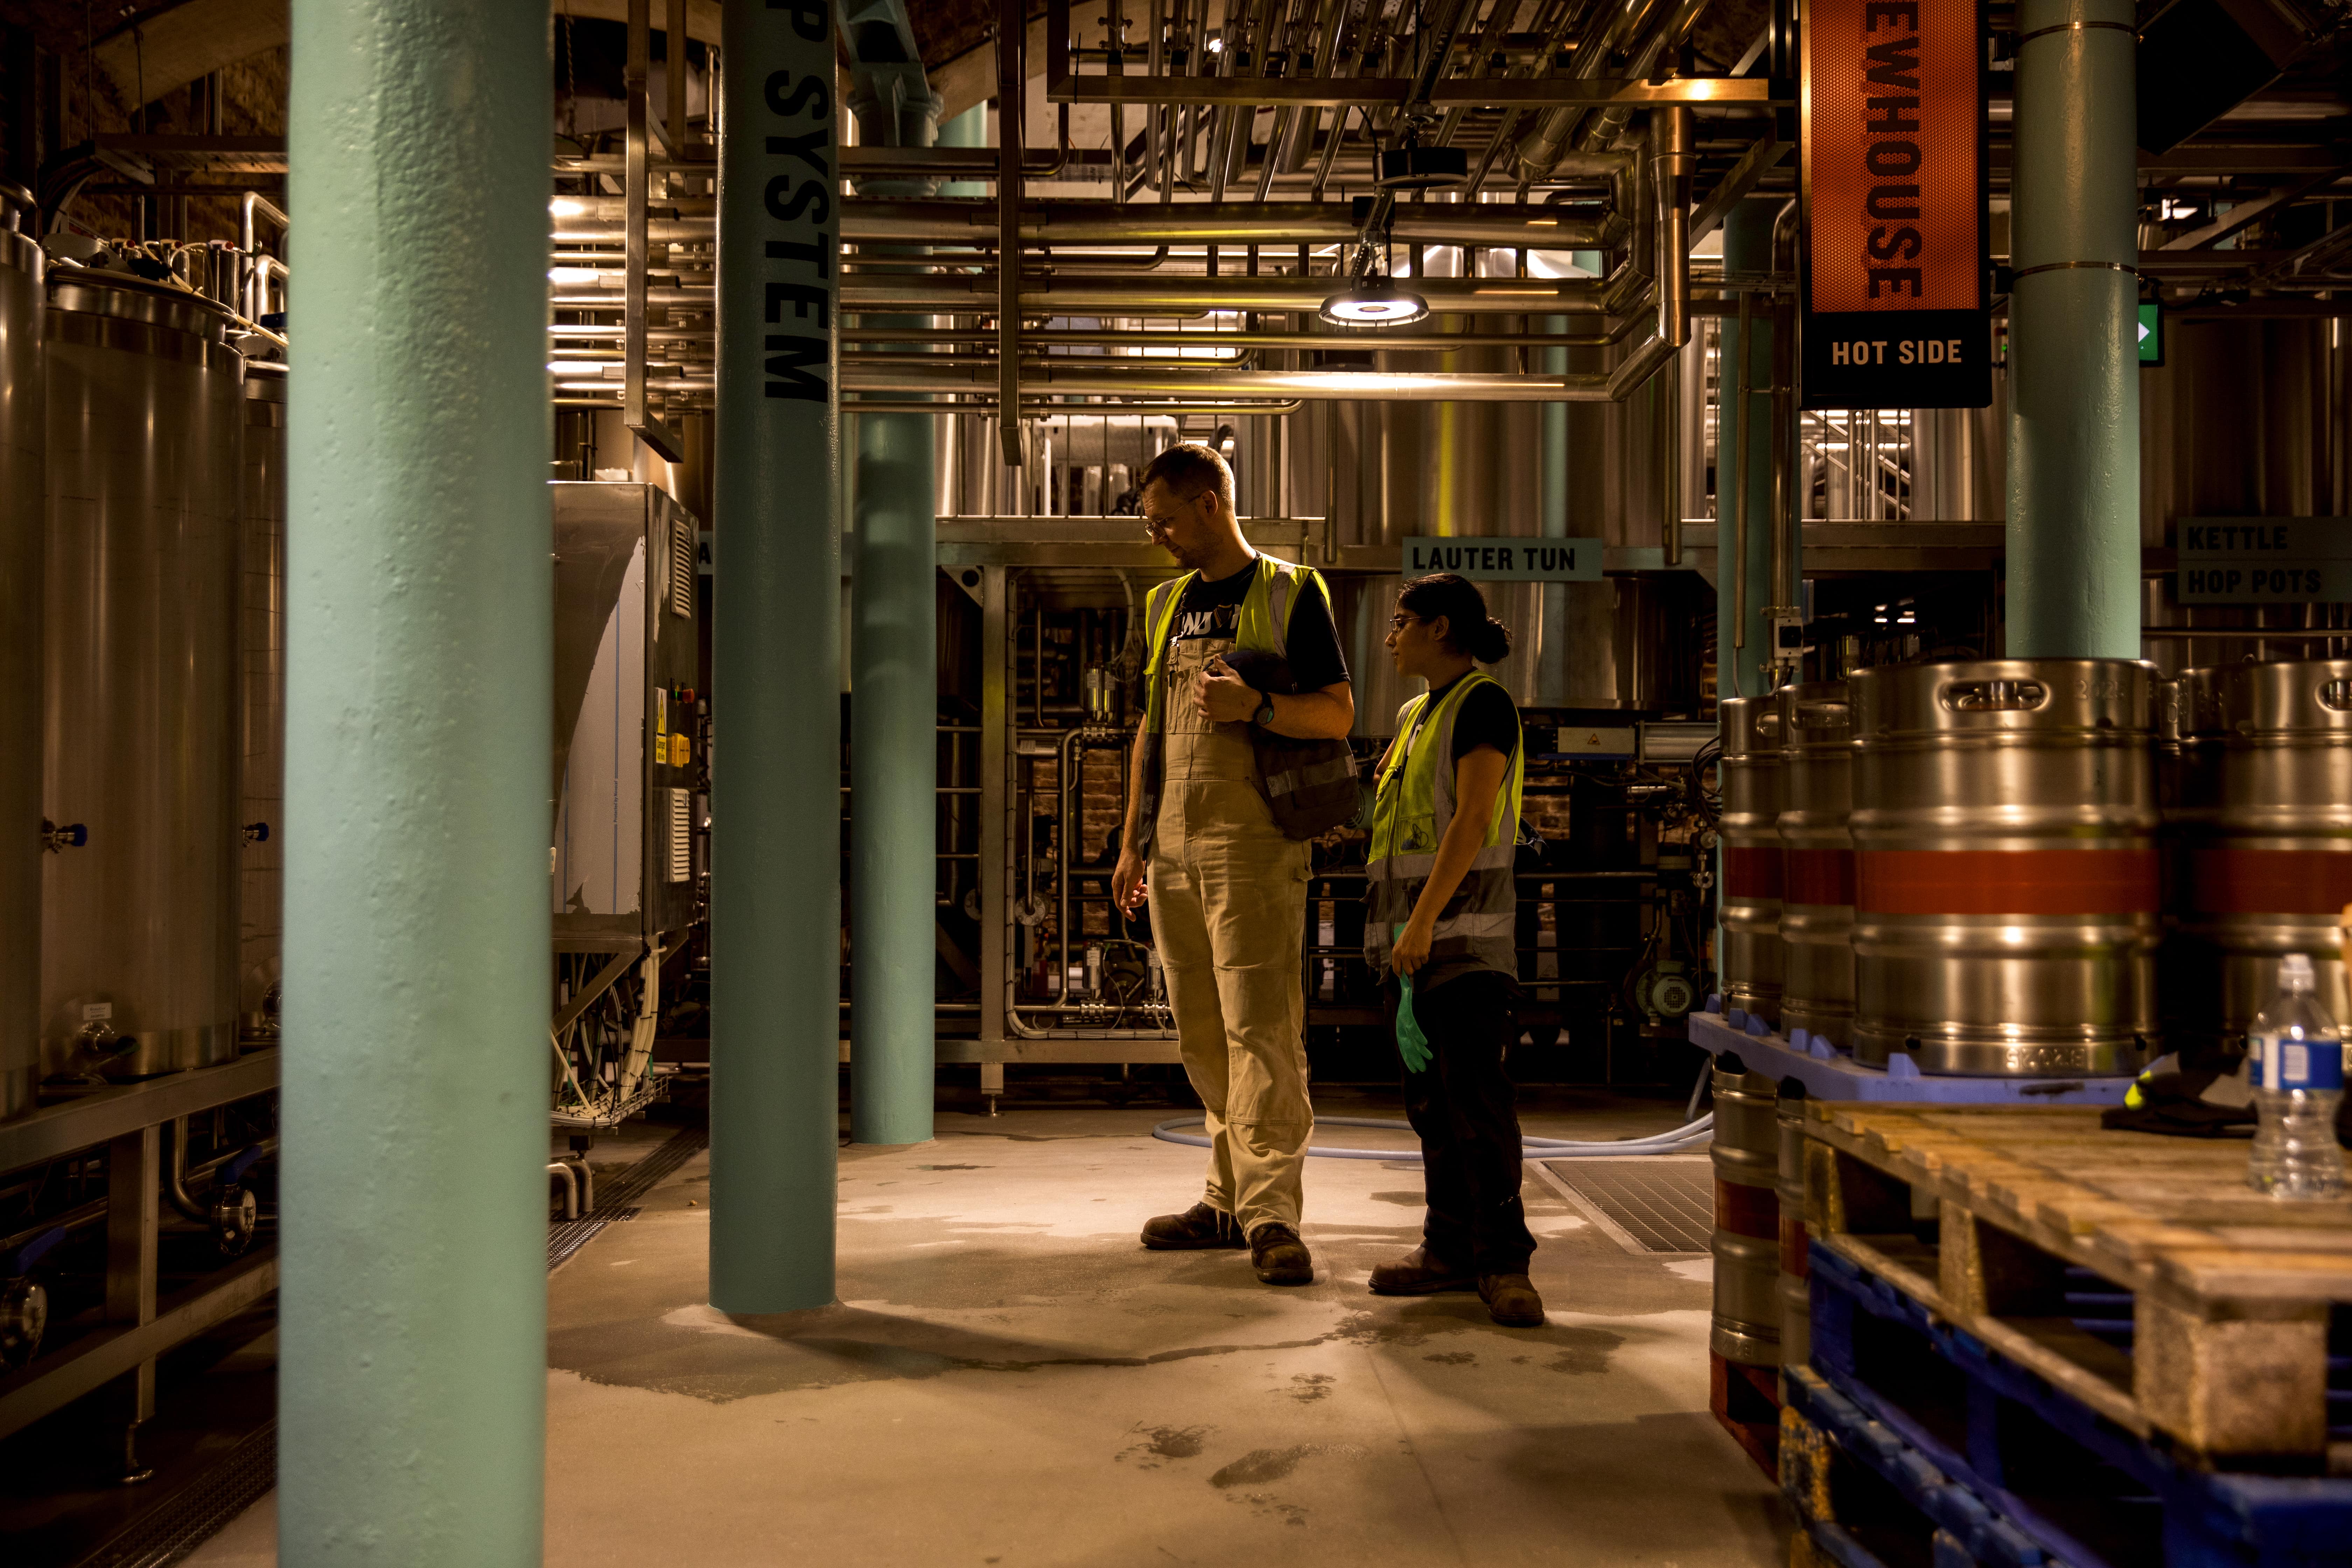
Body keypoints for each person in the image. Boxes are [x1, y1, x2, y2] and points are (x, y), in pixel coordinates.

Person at [1113, 442, 1355, 1286]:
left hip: (1251, 840)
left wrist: (1256, 705)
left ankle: (1273, 1213)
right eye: (1152, 522)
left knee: (1261, 1027)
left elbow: (1336, 715)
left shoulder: (1292, 590)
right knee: (1202, 1029)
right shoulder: (1165, 605)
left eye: (1167, 518)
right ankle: (1226, 1196)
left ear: (1212, 503)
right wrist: (1132, 838)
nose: (1160, 536)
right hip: (1175, 839)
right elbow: (1151, 729)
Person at [1360, 573, 1543, 1328]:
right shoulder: (1412, 715)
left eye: (1401, 622)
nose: (1390, 635)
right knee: (1434, 1110)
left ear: (1440, 628)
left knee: (1478, 1107)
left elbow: (1471, 822)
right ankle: (1448, 1248)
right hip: (1411, 954)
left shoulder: (1483, 703)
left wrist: (1426, 920)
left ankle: (1504, 1263)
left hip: (1463, 945)